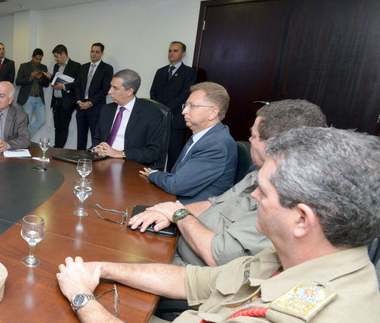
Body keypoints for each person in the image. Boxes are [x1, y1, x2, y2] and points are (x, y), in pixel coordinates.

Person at [57, 126, 380, 323]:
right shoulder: (307, 259)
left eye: (265, 192)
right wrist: (102, 269)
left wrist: (82, 298)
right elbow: (195, 280)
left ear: (301, 219)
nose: (253, 197)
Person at [130, 99, 327, 267]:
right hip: (180, 243)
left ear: (272, 146)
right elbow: (214, 203)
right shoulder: (257, 173)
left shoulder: (283, 199)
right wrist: (169, 213)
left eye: (254, 136)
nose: (249, 140)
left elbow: (216, 256)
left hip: (192, 269)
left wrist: (180, 215)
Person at [139, 82, 237, 203]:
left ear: (212, 113)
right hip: (177, 198)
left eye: (192, 106)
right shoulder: (203, 135)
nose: (184, 111)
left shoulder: (215, 144)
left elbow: (175, 185)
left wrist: (152, 174)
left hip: (194, 208)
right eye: (185, 105)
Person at [91, 69, 165, 168]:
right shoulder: (106, 109)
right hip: (102, 164)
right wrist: (96, 148)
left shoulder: (150, 114)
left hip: (130, 165)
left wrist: (120, 154)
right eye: (110, 86)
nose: (109, 91)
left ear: (129, 91)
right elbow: (97, 139)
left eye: (115, 88)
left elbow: (153, 152)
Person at [150, 41, 198, 170]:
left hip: (176, 120)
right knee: (155, 152)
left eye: (175, 51)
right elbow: (153, 92)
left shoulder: (189, 73)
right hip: (158, 120)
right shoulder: (160, 71)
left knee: (174, 155)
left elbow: (185, 95)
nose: (171, 53)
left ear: (183, 54)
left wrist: (165, 110)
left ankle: (171, 179)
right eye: (170, 50)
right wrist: (158, 110)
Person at [75, 42, 114, 150]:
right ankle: (79, 158)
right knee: (80, 139)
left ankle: (95, 160)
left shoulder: (107, 68)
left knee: (96, 139)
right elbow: (77, 86)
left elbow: (105, 89)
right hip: (81, 107)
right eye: (92, 51)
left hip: (96, 108)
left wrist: (90, 103)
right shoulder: (83, 67)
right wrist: (79, 101)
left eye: (97, 52)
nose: (94, 54)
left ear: (102, 54)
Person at [50, 44, 81, 148]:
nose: (55, 59)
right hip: (56, 100)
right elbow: (55, 81)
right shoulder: (56, 66)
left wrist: (63, 86)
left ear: (63, 54)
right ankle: (56, 147)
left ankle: (59, 149)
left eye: (56, 56)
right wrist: (50, 79)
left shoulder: (75, 65)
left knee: (63, 127)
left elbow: (78, 83)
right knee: (56, 126)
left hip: (67, 102)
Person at [15, 48, 49, 139]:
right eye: (36, 59)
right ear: (32, 57)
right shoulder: (24, 66)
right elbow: (18, 81)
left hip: (39, 98)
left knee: (42, 119)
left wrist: (40, 78)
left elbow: (46, 84)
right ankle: (26, 140)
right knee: (27, 122)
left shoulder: (44, 68)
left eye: (40, 59)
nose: (38, 61)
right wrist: (30, 77)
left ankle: (26, 137)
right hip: (28, 98)